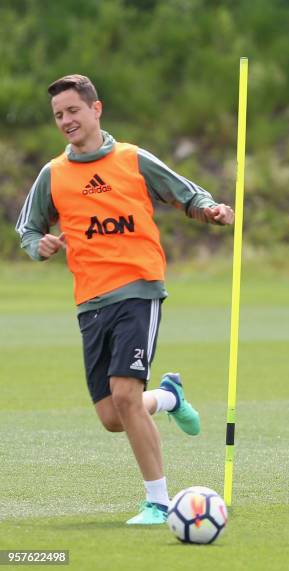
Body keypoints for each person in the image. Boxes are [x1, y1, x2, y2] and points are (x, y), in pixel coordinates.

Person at [15, 74, 234, 524]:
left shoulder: (132, 158)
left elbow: (185, 193)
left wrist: (210, 209)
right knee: (113, 415)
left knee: (124, 394)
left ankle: (159, 502)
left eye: (73, 110)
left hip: (138, 288)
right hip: (90, 302)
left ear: (96, 109)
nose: (66, 121)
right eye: (59, 115)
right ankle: (169, 398)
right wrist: (39, 246)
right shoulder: (53, 174)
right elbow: (28, 228)